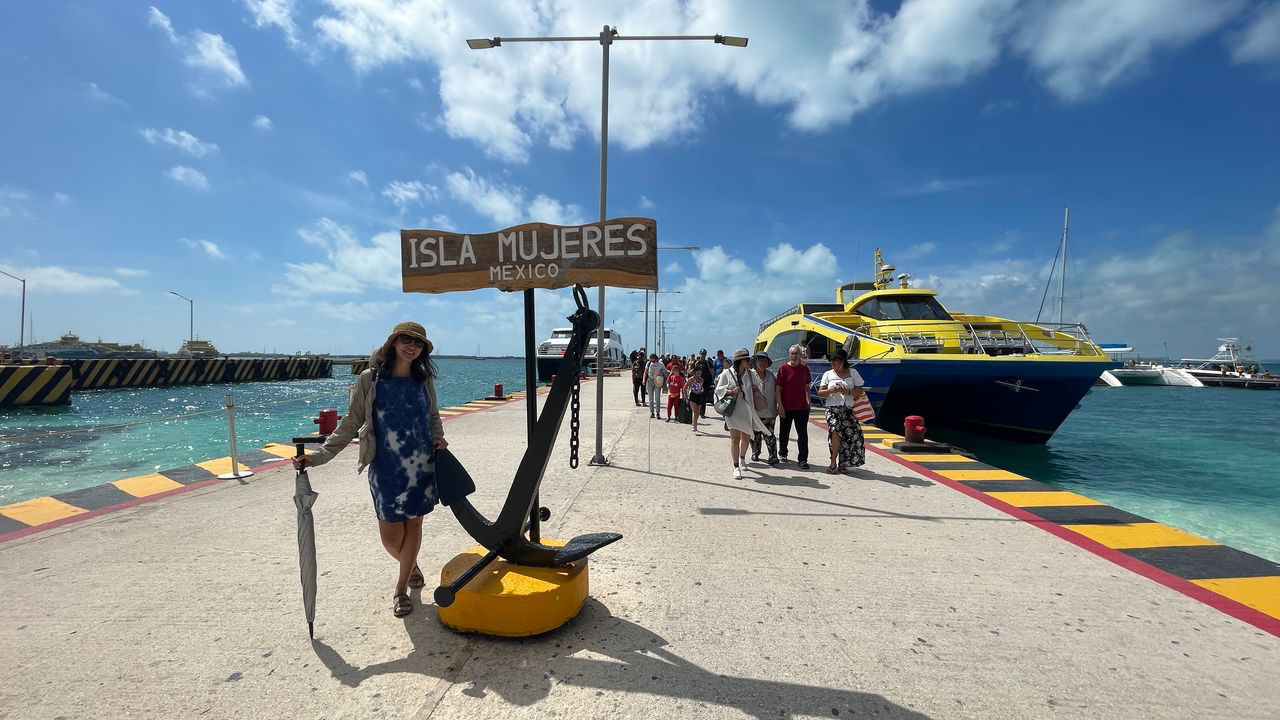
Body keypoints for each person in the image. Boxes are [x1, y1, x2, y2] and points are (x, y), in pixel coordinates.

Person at [293, 322, 447, 619]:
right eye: (406, 340)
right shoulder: (371, 379)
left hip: (420, 464)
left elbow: (432, 415)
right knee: (390, 534)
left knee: (414, 524)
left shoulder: (423, 379)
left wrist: (438, 436)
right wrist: (320, 457)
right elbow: (351, 422)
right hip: (386, 467)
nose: (411, 346)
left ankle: (400, 589)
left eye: (418, 343)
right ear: (393, 343)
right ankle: (411, 565)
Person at [715, 348, 774, 479]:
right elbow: (718, 390)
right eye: (746, 359)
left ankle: (742, 458)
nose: (749, 361)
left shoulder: (751, 374)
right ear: (740, 361)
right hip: (733, 410)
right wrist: (731, 391)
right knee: (735, 438)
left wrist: (756, 388)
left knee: (746, 438)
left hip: (747, 410)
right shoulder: (727, 373)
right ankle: (736, 466)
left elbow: (760, 388)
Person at [817, 348, 866, 475]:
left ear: (842, 361)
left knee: (849, 436)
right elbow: (820, 393)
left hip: (847, 409)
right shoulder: (828, 374)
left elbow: (860, 390)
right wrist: (830, 391)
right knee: (835, 432)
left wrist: (848, 391)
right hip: (832, 409)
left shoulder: (853, 373)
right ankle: (833, 462)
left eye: (835, 360)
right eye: (831, 360)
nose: (832, 362)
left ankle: (843, 463)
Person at [775, 344, 812, 469]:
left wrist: (808, 401)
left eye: (797, 353)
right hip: (786, 407)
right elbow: (778, 389)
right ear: (789, 355)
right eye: (792, 353)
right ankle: (783, 452)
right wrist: (780, 406)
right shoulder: (783, 369)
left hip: (802, 407)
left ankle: (803, 459)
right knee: (784, 432)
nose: (794, 356)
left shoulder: (805, 369)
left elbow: (807, 387)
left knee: (803, 434)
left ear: (801, 355)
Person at [750, 352, 780, 465]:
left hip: (770, 410)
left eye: (765, 361)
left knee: (770, 434)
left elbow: (777, 392)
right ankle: (755, 452)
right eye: (761, 360)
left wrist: (779, 405)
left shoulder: (771, 375)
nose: (763, 363)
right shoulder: (750, 375)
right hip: (755, 411)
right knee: (755, 435)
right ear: (756, 361)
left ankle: (773, 456)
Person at [644, 353, 668, 419]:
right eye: (651, 358)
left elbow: (665, 372)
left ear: (655, 358)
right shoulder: (648, 363)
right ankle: (652, 412)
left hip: (658, 381)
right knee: (650, 398)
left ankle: (658, 412)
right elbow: (645, 372)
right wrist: (644, 380)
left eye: (652, 359)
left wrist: (661, 373)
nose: (651, 360)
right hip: (650, 381)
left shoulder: (661, 364)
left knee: (657, 398)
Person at [687, 360, 707, 432]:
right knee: (694, 411)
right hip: (693, 396)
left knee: (698, 413)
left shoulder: (701, 379)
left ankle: (694, 423)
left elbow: (700, 387)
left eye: (700, 373)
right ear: (695, 372)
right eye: (698, 373)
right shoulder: (691, 379)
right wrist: (686, 397)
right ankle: (694, 426)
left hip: (699, 396)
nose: (699, 374)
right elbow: (685, 388)